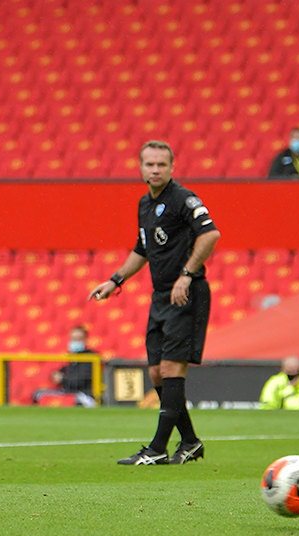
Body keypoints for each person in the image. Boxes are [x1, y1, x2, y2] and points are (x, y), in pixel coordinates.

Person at [90, 140, 221, 466]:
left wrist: (187, 274)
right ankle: (189, 442)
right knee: (156, 373)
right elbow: (142, 250)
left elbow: (211, 234)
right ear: (141, 167)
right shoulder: (144, 205)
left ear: (172, 167)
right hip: (160, 296)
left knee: (170, 369)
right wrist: (115, 281)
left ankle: (158, 447)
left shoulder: (183, 199)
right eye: (149, 164)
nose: (155, 169)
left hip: (187, 293)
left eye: (161, 164)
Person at [31, 326, 96, 408]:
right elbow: (62, 371)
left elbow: (80, 381)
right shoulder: (72, 357)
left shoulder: (90, 357)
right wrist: (56, 375)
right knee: (39, 394)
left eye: (78, 339)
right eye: (73, 339)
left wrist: (62, 379)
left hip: (83, 394)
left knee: (76, 401)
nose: (75, 341)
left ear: (85, 340)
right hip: (67, 392)